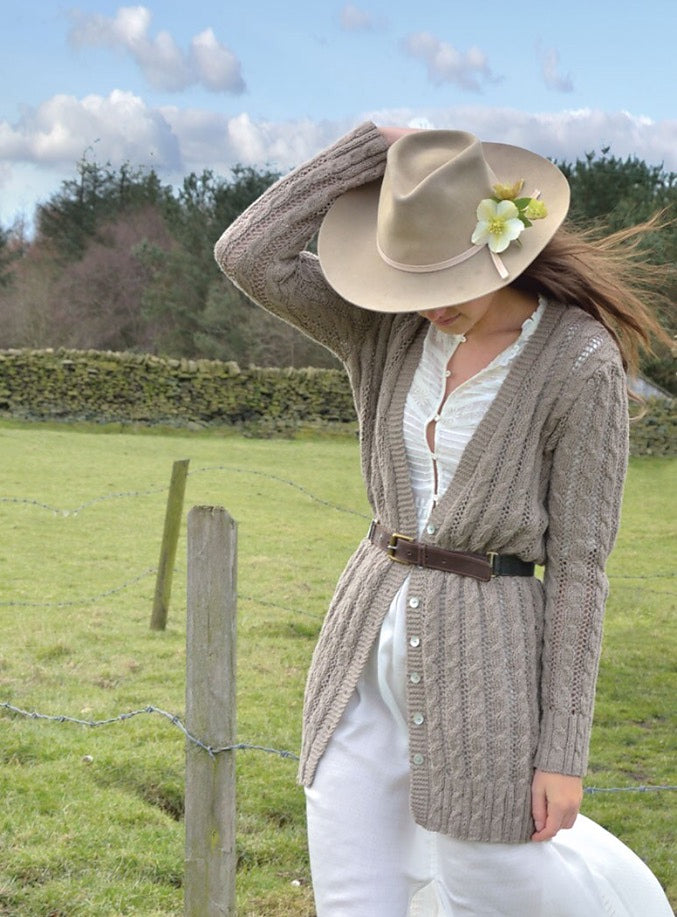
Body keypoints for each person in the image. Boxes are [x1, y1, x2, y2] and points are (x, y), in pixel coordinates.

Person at [215, 122, 672, 916]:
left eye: (448, 279)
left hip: (488, 668)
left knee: (487, 891)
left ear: (498, 248)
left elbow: (580, 571)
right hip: (359, 656)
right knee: (352, 899)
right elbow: (248, 253)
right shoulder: (381, 326)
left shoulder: (578, 361)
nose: (431, 305)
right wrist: (371, 150)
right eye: (411, 281)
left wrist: (562, 750)